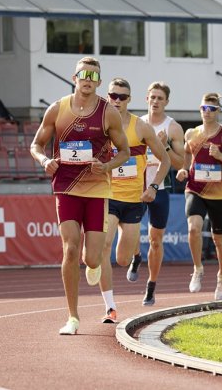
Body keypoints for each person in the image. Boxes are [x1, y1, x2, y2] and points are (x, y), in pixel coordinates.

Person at [29, 56, 129, 335]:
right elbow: (36, 144)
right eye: (84, 74)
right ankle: (73, 317)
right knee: (70, 248)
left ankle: (93, 264)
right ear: (74, 78)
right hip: (66, 186)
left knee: (93, 257)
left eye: (94, 76)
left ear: (98, 81)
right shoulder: (57, 109)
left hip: (97, 188)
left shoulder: (108, 112)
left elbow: (125, 151)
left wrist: (107, 165)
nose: (89, 80)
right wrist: (43, 161)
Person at [96, 78, 170, 323]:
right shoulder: (99, 126)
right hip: (107, 196)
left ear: (129, 99)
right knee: (103, 247)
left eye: (122, 97)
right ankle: (110, 307)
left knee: (122, 259)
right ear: (107, 96)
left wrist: (154, 187)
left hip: (134, 200)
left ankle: (136, 256)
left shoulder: (141, 127)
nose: (117, 100)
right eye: (113, 95)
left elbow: (165, 161)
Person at [176, 93, 222, 301]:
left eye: (212, 109)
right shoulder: (191, 133)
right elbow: (188, 154)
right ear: (200, 109)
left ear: (218, 111)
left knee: (218, 238)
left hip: (218, 193)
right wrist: (184, 169)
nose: (208, 112)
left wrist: (220, 156)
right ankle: (198, 268)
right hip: (195, 188)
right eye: (205, 108)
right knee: (193, 228)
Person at [127, 81, 185, 306]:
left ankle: (151, 285)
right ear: (146, 99)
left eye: (160, 98)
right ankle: (136, 256)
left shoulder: (173, 128)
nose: (156, 102)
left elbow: (181, 163)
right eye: (153, 97)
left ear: (167, 102)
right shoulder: (137, 124)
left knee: (156, 240)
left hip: (160, 188)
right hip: (137, 186)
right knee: (131, 232)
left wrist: (165, 147)